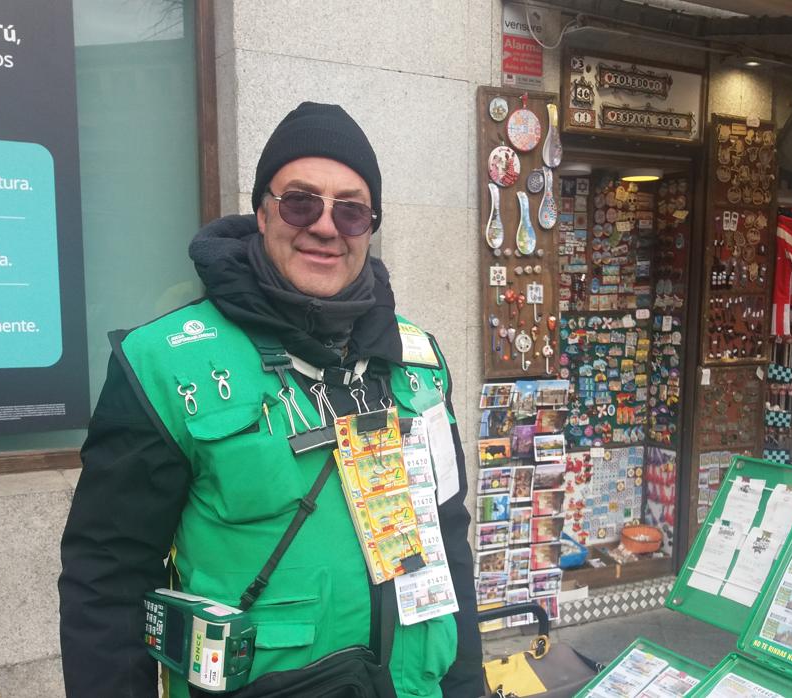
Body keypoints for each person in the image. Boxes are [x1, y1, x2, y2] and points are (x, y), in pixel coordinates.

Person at [59, 102, 483, 698]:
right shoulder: (163, 363)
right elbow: (106, 581)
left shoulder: (419, 364)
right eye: (300, 201)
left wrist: (469, 687)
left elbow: (446, 542)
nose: (325, 226)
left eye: (352, 210)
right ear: (262, 213)